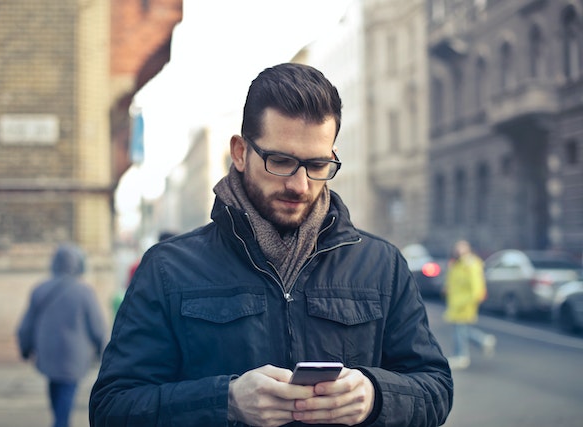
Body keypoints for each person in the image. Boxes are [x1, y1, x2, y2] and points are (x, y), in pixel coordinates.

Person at [89, 63, 452, 426]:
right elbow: (112, 409)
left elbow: (435, 389)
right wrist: (225, 401)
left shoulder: (382, 264)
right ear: (240, 152)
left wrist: (375, 396)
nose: (300, 184)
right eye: (280, 161)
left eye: (317, 164)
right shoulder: (167, 268)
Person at [17, 243, 107, 427]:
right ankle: (60, 422)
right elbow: (97, 326)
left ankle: (59, 421)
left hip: (47, 352)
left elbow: (26, 325)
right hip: (74, 355)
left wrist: (25, 347)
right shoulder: (84, 292)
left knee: (55, 387)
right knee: (66, 392)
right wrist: (102, 351)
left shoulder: (40, 289)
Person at [443, 239, 496, 370]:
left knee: (459, 330)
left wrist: (471, 300)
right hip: (456, 302)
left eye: (461, 248)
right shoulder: (457, 264)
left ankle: (461, 355)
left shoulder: (471, 264)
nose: (458, 251)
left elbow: (476, 287)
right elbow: (452, 281)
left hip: (465, 303)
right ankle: (484, 340)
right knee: (461, 330)